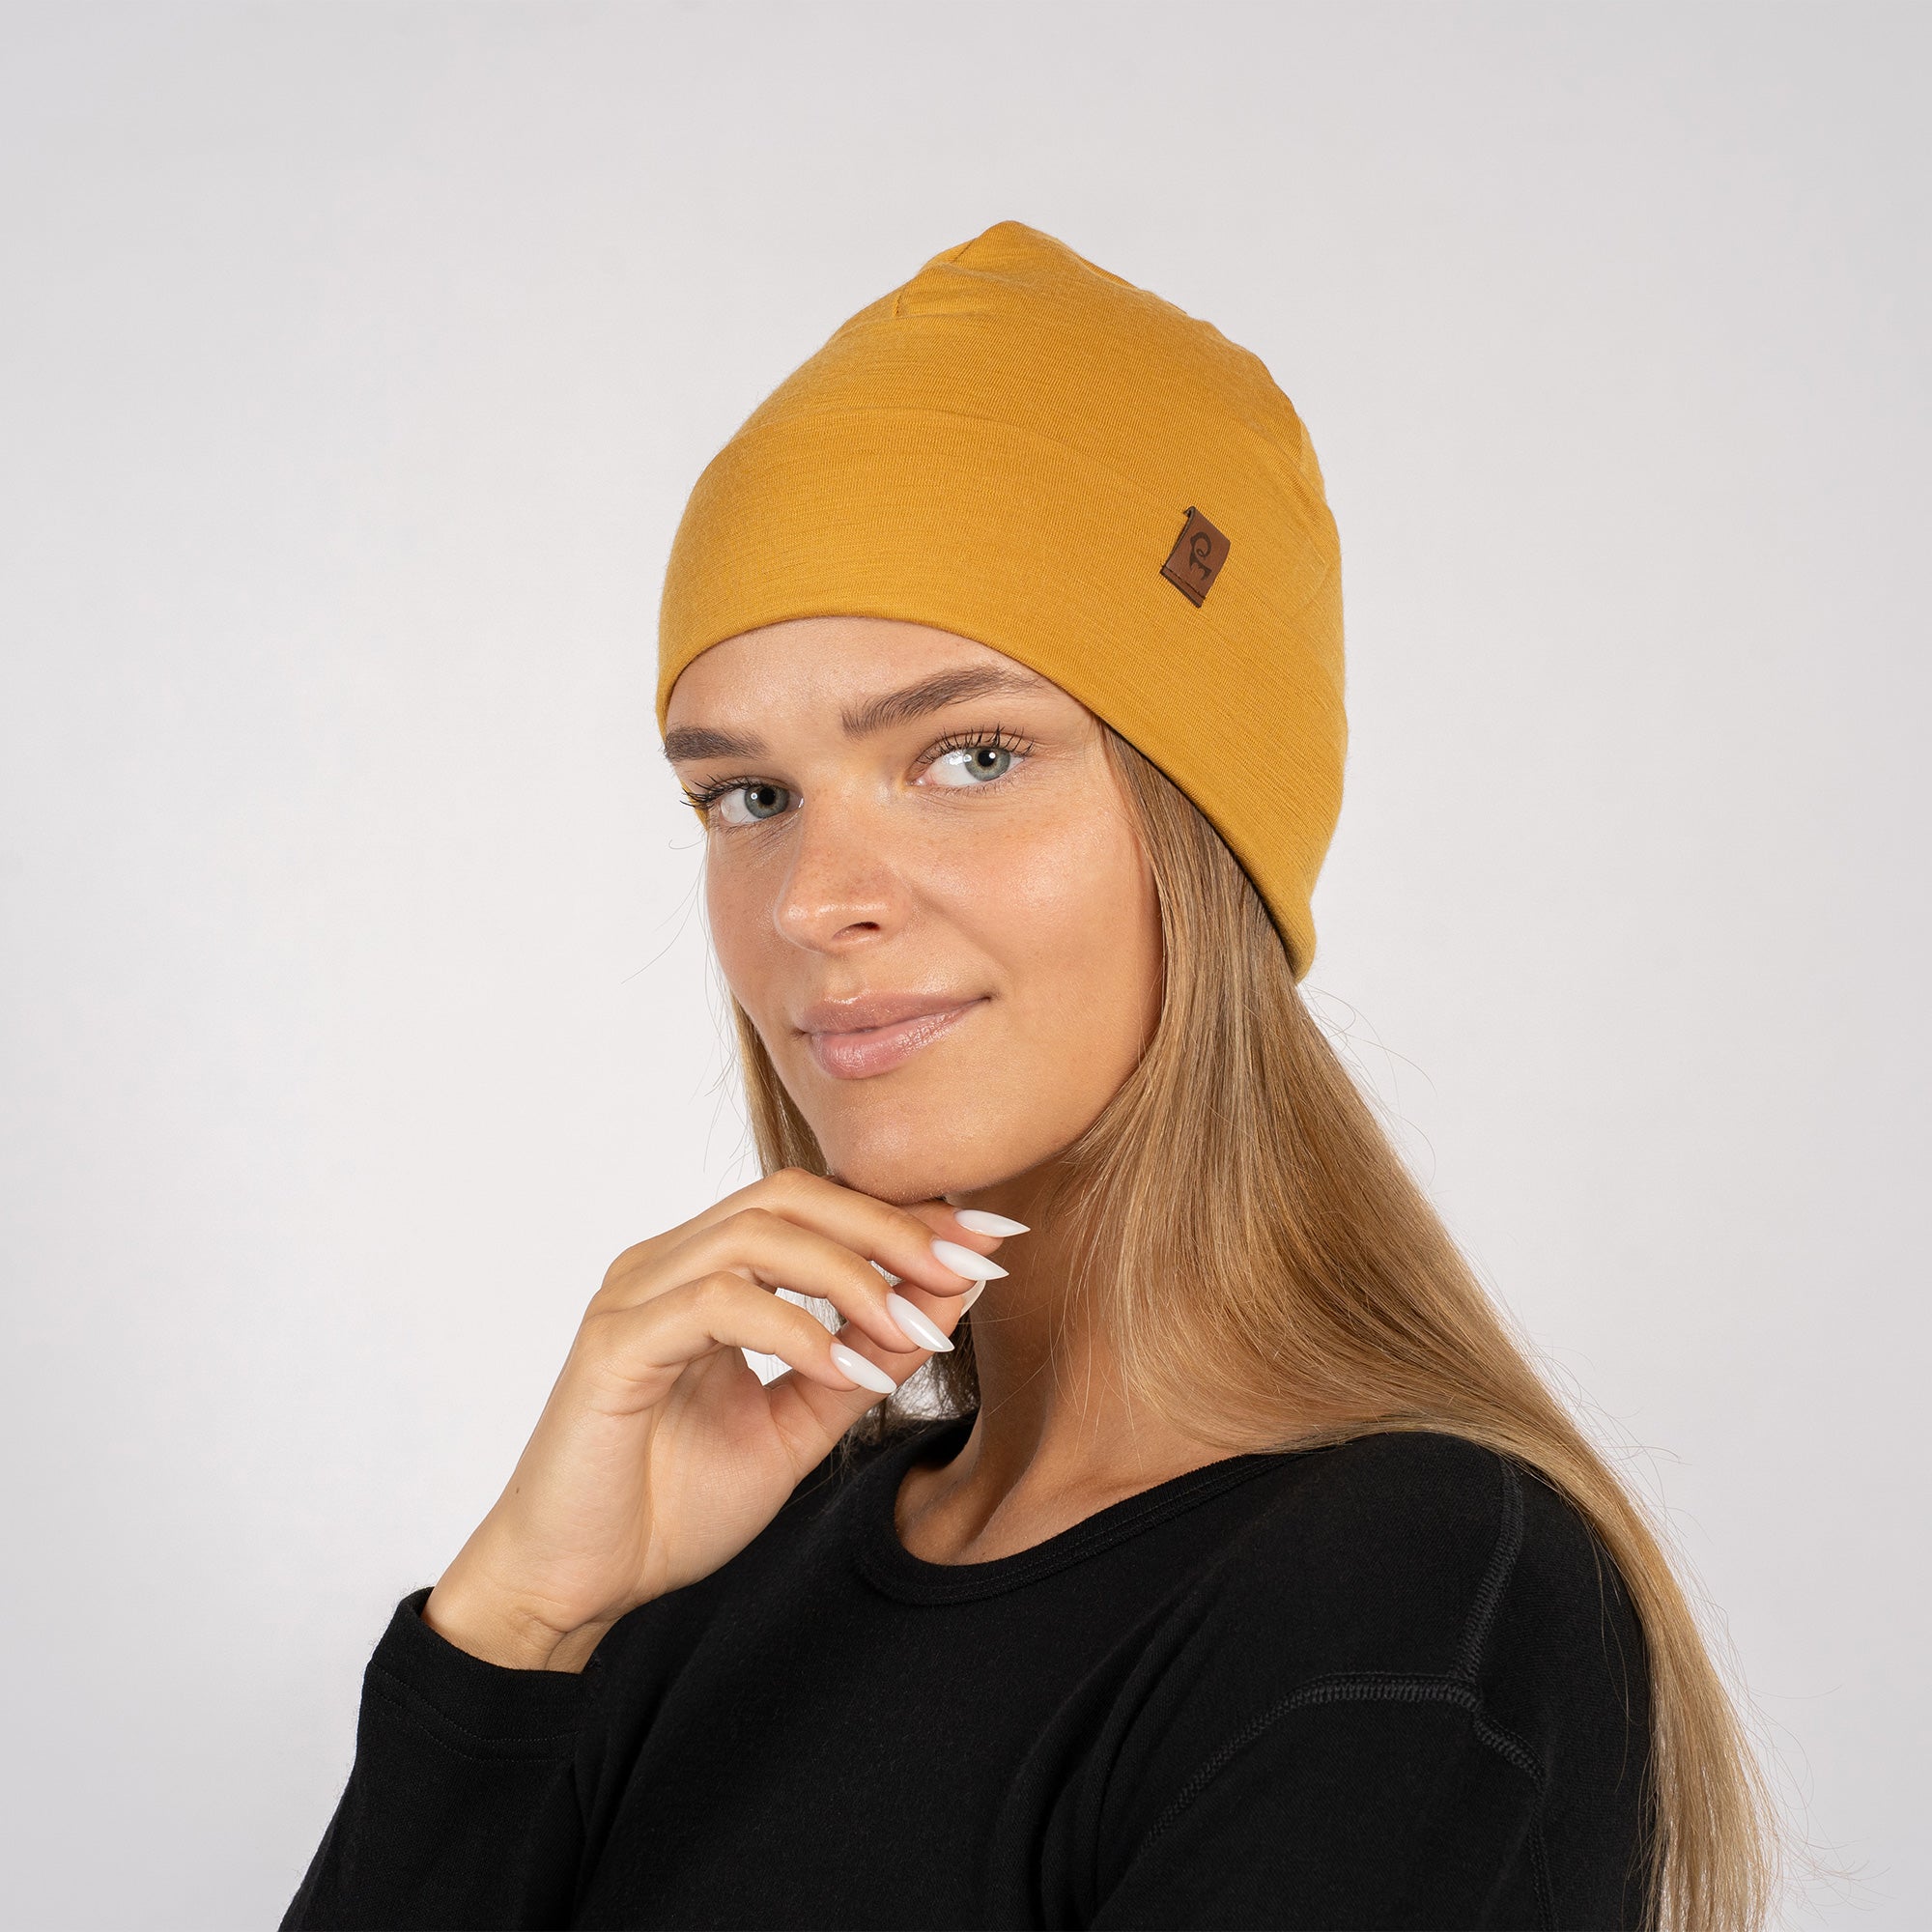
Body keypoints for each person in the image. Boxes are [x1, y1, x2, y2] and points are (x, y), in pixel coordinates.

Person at [281, 221, 1775, 1931]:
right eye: (749, 797)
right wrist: (515, 1628)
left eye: (971, 756)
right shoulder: (712, 1557)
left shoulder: (1405, 1606)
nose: (814, 899)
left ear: (1205, 831)